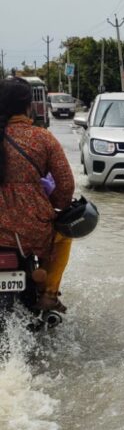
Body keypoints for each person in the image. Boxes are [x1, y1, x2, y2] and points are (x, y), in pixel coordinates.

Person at [0, 78, 75, 311]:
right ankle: (49, 294)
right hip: (33, 230)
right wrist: (55, 208)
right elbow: (66, 185)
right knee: (64, 235)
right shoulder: (42, 138)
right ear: (28, 105)